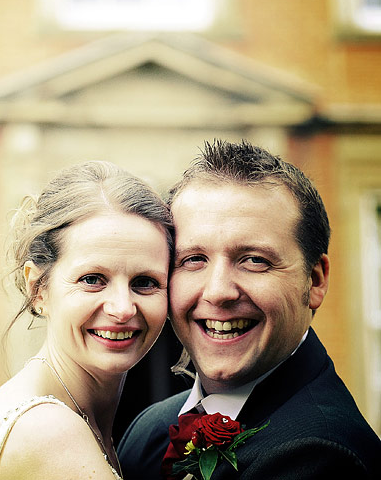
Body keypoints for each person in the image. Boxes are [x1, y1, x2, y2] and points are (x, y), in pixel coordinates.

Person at [118, 139, 381, 479]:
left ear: (315, 281)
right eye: (194, 259)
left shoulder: (322, 458)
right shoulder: (150, 430)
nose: (218, 292)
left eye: (254, 260)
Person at [0, 161, 174, 480]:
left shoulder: (61, 414)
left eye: (145, 282)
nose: (123, 308)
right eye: (93, 279)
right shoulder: (49, 432)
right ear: (38, 288)